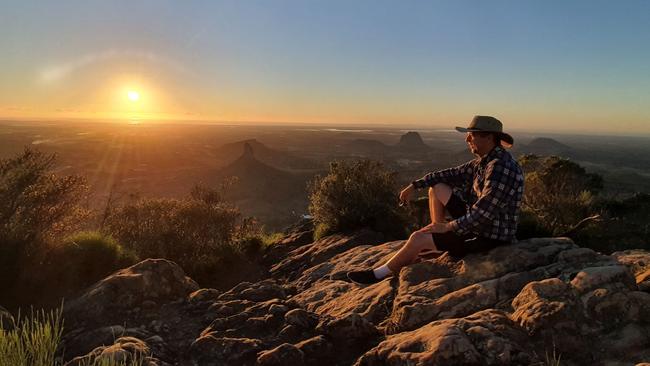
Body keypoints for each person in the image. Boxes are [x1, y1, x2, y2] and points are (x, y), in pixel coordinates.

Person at [347, 115, 524, 285]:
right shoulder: (485, 161)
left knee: (417, 238)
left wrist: (447, 227)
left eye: (472, 135)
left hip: (489, 237)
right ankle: (438, 241)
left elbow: (484, 213)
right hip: (479, 224)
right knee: (437, 187)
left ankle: (378, 275)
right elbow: (450, 174)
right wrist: (415, 185)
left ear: (489, 137)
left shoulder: (500, 167)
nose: (467, 139)